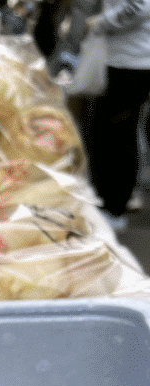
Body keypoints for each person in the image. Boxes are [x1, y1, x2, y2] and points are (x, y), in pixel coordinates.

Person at [82, 0, 150, 227]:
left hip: (131, 64)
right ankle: (110, 202)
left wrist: (101, 23)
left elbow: (139, 7)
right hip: (121, 59)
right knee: (106, 134)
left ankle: (115, 207)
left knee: (116, 136)